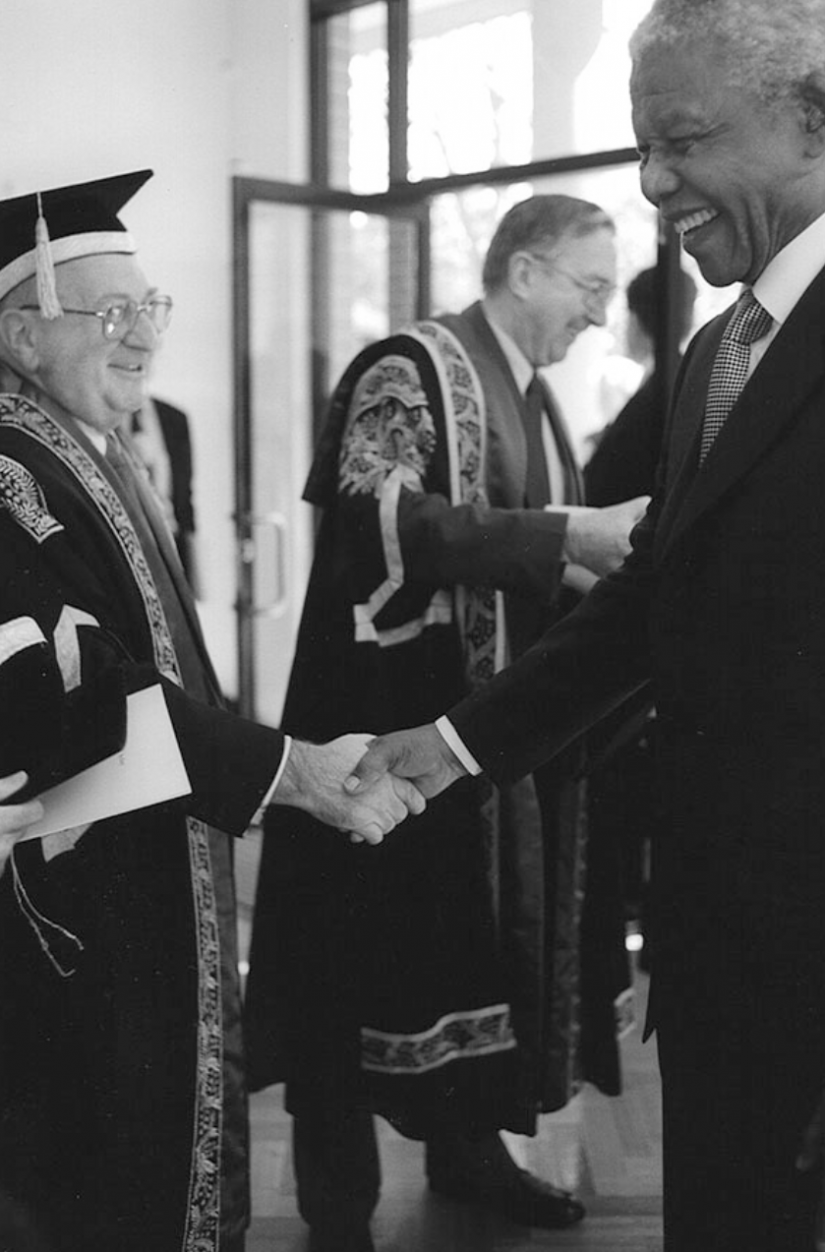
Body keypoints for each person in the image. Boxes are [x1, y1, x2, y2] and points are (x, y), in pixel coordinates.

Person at [349, 2, 825, 1249]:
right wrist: (451, 745)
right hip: (720, 949)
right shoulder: (724, 346)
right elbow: (653, 602)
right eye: (641, 145)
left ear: (815, 119)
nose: (656, 182)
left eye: (684, 139)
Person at [0, 171, 424, 1252]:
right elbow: (76, 688)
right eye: (110, 314)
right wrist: (295, 771)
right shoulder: (11, 469)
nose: (143, 337)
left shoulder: (78, 440)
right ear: (20, 332)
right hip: (72, 883)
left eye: (153, 308)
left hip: (132, 856)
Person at [243, 193, 648, 1252]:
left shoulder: (534, 398)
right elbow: (379, 518)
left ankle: (470, 1153)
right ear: (524, 270)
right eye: (589, 288)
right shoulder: (404, 368)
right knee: (357, 966)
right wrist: (567, 531)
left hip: (484, 748)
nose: (600, 316)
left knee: (469, 960)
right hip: (379, 734)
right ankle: (337, 1207)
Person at [129, 395, 200, 590]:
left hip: (171, 539)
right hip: (132, 544)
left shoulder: (174, 418)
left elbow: (185, 494)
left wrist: (193, 572)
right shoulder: (106, 418)